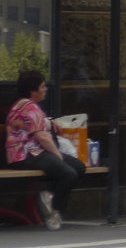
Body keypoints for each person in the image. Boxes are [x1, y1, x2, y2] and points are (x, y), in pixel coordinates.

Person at [5, 70, 86, 230]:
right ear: (33, 91)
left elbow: (37, 124)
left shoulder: (27, 106)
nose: (46, 89)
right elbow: (42, 137)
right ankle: (53, 209)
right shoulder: (31, 108)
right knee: (68, 173)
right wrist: (58, 156)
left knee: (79, 167)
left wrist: (50, 121)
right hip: (24, 155)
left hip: (37, 152)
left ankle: (48, 197)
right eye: (42, 86)